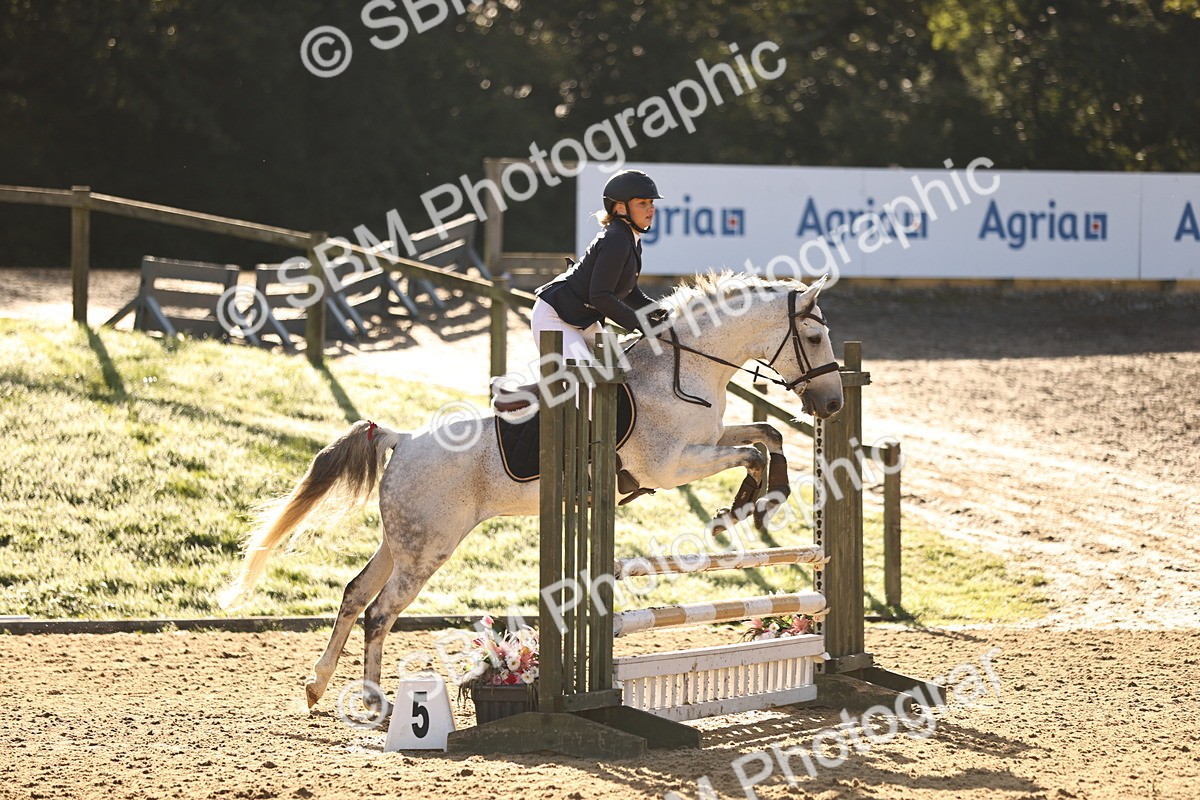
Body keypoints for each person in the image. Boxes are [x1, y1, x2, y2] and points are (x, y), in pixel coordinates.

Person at [493, 169, 669, 412]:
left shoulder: (629, 237)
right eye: (642, 203)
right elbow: (600, 295)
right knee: (589, 384)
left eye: (651, 202)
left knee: (614, 367)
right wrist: (640, 323)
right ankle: (513, 401)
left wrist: (659, 311)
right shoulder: (616, 239)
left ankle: (515, 393)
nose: (650, 208)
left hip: (581, 318)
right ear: (619, 208)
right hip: (555, 317)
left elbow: (627, 291)